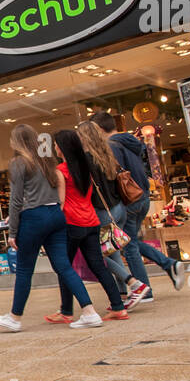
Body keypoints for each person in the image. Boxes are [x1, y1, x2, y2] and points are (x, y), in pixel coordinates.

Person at [0, 125, 101, 331]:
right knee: (64, 266)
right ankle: (89, 311)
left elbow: (15, 200)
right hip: (55, 215)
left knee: (24, 269)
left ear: (17, 141)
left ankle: (14, 317)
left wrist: (12, 231)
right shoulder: (47, 161)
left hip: (33, 217)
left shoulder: (19, 162)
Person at [87, 112, 185, 301]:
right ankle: (167, 265)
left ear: (98, 129)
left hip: (128, 201)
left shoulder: (111, 146)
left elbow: (113, 175)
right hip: (142, 196)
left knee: (127, 244)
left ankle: (147, 287)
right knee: (127, 240)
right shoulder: (129, 141)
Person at [46, 130, 128, 323]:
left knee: (64, 267)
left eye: (56, 144)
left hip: (72, 223)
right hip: (91, 221)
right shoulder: (85, 168)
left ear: (63, 147)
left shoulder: (61, 171)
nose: (55, 147)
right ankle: (118, 306)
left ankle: (66, 311)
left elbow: (62, 203)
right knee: (99, 266)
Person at [78, 121, 149, 309]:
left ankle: (134, 283)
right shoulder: (107, 153)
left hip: (102, 210)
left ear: (84, 137)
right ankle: (123, 294)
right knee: (112, 250)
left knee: (95, 253)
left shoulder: (86, 159)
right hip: (118, 207)